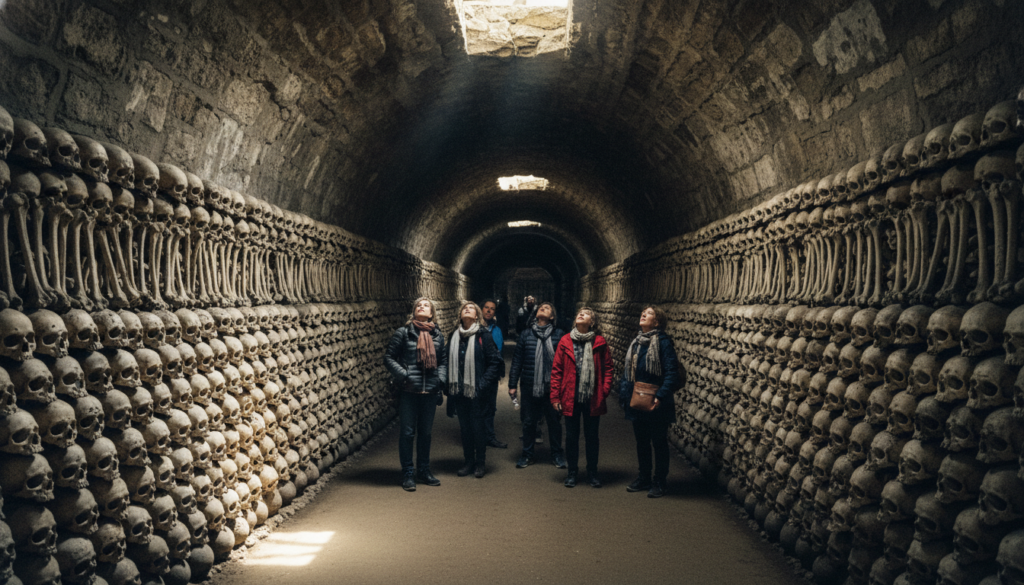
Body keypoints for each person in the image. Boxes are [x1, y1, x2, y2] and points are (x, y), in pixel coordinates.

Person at [384, 297, 448, 492]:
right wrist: (404, 374)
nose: (422, 306)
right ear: (414, 312)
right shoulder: (403, 333)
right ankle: (408, 473)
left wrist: (440, 379)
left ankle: (424, 470)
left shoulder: (438, 336)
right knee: (407, 433)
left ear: (431, 313)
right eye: (418, 304)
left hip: (430, 390)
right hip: (409, 391)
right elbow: (389, 357)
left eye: (426, 305)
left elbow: (443, 361)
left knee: (426, 434)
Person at [619, 305, 682, 498]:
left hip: (656, 401)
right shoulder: (637, 342)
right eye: (642, 313)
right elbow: (629, 372)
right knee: (642, 442)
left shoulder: (663, 343)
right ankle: (644, 477)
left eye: (649, 313)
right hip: (638, 398)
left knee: (659, 442)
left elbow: (672, 373)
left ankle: (659, 481)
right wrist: (625, 394)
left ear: (657, 322)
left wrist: (660, 396)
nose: (643, 315)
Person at [550, 307, 613, 488]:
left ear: (592, 322)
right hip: (570, 395)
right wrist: (555, 397)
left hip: (592, 397)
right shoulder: (565, 341)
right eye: (580, 312)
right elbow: (557, 371)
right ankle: (572, 472)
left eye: (586, 313)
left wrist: (604, 390)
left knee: (592, 437)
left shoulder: (599, 342)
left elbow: (608, 368)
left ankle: (592, 473)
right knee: (571, 436)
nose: (581, 314)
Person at [509, 301, 566, 469]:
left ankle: (556, 454)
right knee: (528, 422)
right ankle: (527, 454)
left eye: (547, 307)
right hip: (529, 385)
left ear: (552, 316)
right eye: (541, 307)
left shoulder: (559, 335)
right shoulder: (526, 335)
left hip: (552, 387)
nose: (543, 308)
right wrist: (512, 384)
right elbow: (517, 361)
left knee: (554, 422)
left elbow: (564, 363)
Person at [480, 299, 507, 449]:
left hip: (492, 373)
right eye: (486, 308)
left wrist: (499, 371)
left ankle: (489, 436)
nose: (489, 311)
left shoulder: (497, 329)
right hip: (479, 372)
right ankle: (477, 437)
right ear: (481, 309)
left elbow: (499, 351)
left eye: (492, 309)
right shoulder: (475, 327)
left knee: (490, 406)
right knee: (477, 406)